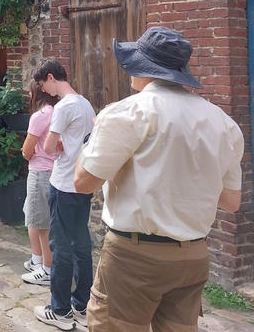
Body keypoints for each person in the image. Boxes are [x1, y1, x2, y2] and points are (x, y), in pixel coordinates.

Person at [74, 27, 244, 331]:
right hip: (192, 257)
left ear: (144, 68)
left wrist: (92, 136)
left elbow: (83, 182)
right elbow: (232, 201)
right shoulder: (224, 124)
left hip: (133, 257)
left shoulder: (127, 112)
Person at [32, 59, 95, 330]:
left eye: (43, 85)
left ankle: (59, 309)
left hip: (63, 183)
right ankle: (82, 303)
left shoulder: (63, 107)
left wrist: (55, 143)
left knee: (60, 247)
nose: (44, 90)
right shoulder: (85, 103)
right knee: (82, 244)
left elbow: (47, 146)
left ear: (50, 77)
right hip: (82, 183)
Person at [20, 81, 58, 286]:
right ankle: (37, 260)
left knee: (42, 223)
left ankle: (47, 269)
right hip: (54, 171)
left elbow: (27, 150)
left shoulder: (40, 116)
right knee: (34, 215)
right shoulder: (57, 112)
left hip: (40, 171)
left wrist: (27, 153)